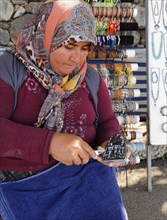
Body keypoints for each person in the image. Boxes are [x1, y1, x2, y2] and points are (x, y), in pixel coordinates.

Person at [0, 0, 130, 219]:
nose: (76, 58)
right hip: (21, 187)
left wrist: (112, 143)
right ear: (46, 35)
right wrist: (50, 143)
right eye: (68, 46)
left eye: (84, 48)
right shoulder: (9, 70)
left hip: (82, 180)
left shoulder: (89, 78)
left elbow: (108, 122)